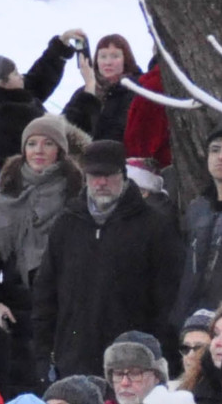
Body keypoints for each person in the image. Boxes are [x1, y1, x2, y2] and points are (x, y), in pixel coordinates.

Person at [33, 143, 184, 381]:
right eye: (94, 175)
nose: (101, 183)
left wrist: (162, 357)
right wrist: (43, 355)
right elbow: (46, 294)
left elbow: (169, 301)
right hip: (72, 363)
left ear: (122, 175)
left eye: (108, 175)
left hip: (132, 367)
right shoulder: (67, 223)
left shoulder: (154, 226)